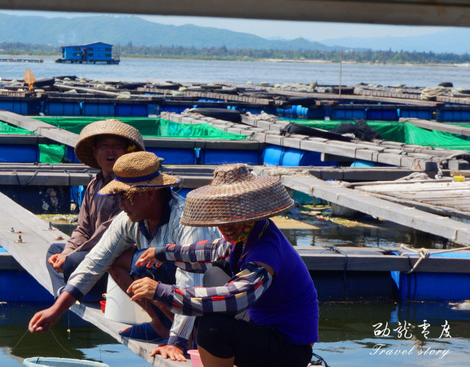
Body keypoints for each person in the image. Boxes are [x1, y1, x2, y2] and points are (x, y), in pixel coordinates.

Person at [30, 151, 221, 362]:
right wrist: (56, 310)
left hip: (209, 300)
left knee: (148, 267)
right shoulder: (129, 219)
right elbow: (96, 261)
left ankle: (186, 335)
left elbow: (191, 282)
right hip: (170, 291)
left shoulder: (184, 219)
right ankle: (162, 325)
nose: (121, 205)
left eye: (125, 197)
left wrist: (177, 343)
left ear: (150, 194)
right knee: (121, 260)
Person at [129, 163, 319, 367]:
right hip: (263, 327)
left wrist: (163, 291)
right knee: (214, 274)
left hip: (291, 349)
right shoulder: (250, 234)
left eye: (232, 218)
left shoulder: (266, 249)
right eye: (221, 219)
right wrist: (161, 253)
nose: (225, 226)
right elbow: (211, 249)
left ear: (251, 213)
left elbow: (236, 297)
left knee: (212, 328)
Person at [46, 119, 145, 298]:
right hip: (91, 252)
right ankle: (63, 293)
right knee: (54, 250)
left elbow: (108, 233)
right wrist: (67, 252)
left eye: (117, 146)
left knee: (73, 261)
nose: (111, 151)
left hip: (118, 256)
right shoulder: (94, 185)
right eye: (104, 146)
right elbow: (83, 229)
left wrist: (70, 256)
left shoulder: (129, 186)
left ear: (126, 152)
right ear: (94, 151)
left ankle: (73, 291)